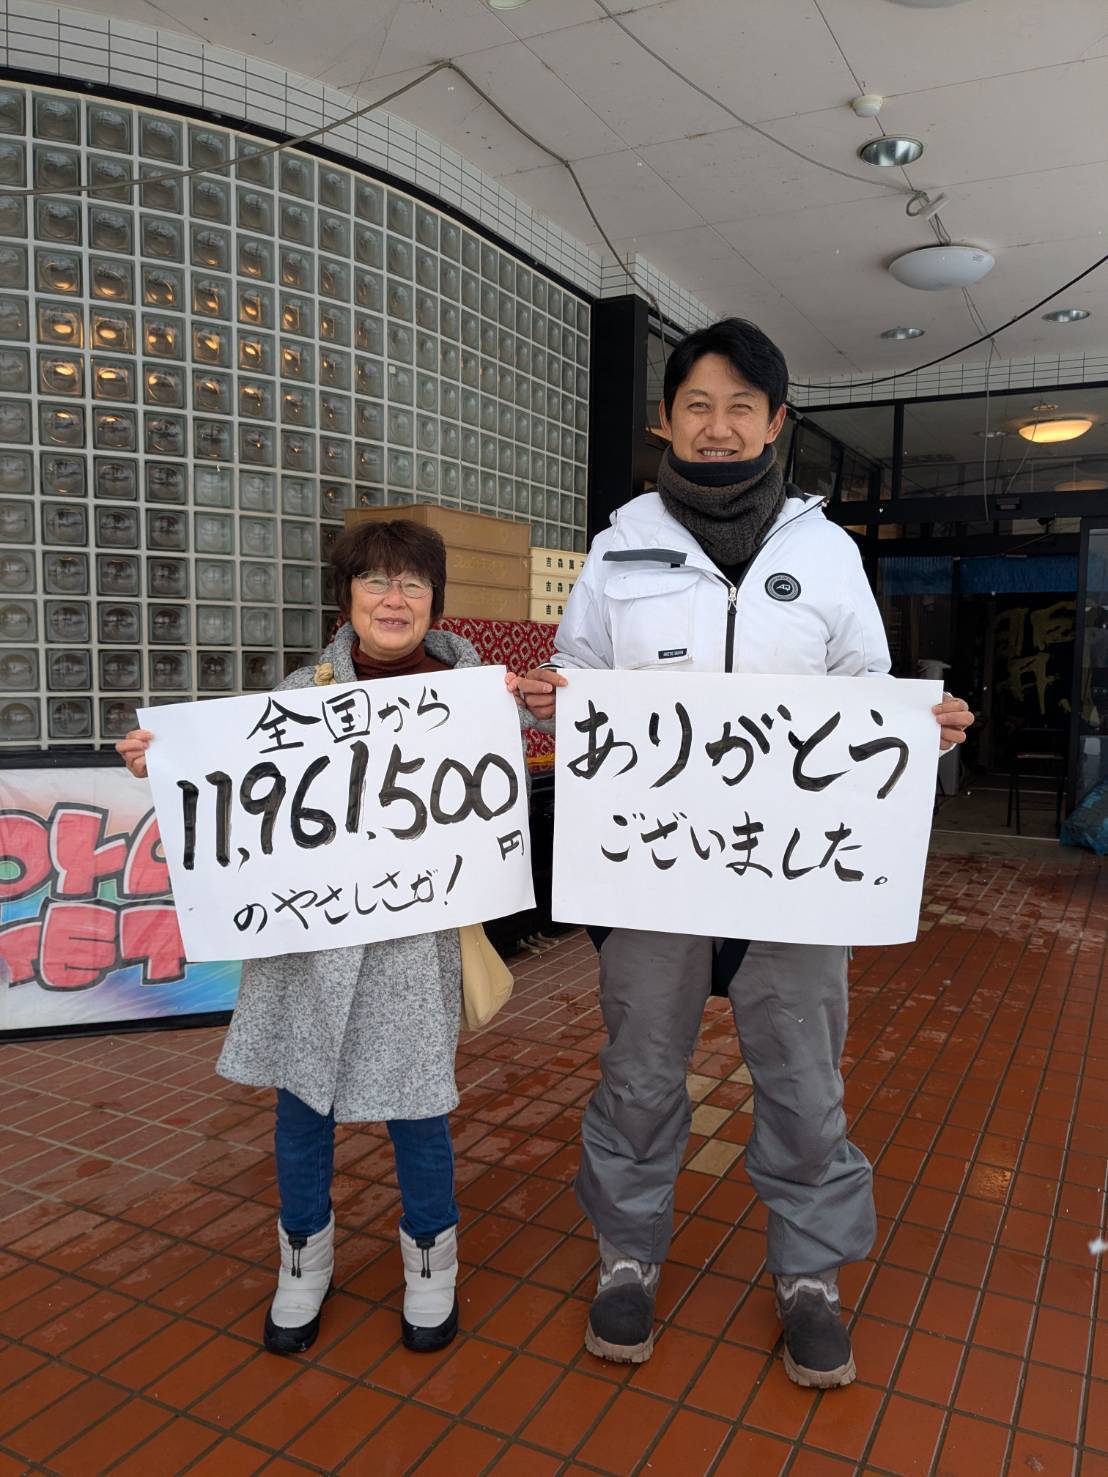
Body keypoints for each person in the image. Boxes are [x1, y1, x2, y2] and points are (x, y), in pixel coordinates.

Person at [510, 318, 973, 1389]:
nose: (716, 428)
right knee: (637, 1075)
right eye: (697, 407)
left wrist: (921, 731)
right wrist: (552, 699)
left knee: (805, 1084)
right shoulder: (617, 545)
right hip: (652, 869)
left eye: (740, 409)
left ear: (775, 423)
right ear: (665, 420)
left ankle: (810, 1275)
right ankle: (626, 1255)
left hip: (795, 876)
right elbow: (579, 678)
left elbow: (865, 691)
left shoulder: (825, 552)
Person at [118, 519, 495, 1359]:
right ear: (346, 597)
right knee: (300, 1107)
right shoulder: (300, 690)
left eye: (413, 583)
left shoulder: (475, 693)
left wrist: (546, 702)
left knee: (419, 1110)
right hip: (308, 940)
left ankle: (431, 1261)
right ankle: (303, 1259)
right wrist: (165, 765)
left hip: (410, 937)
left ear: (435, 601)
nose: (394, 599)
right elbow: (241, 789)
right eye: (375, 581)